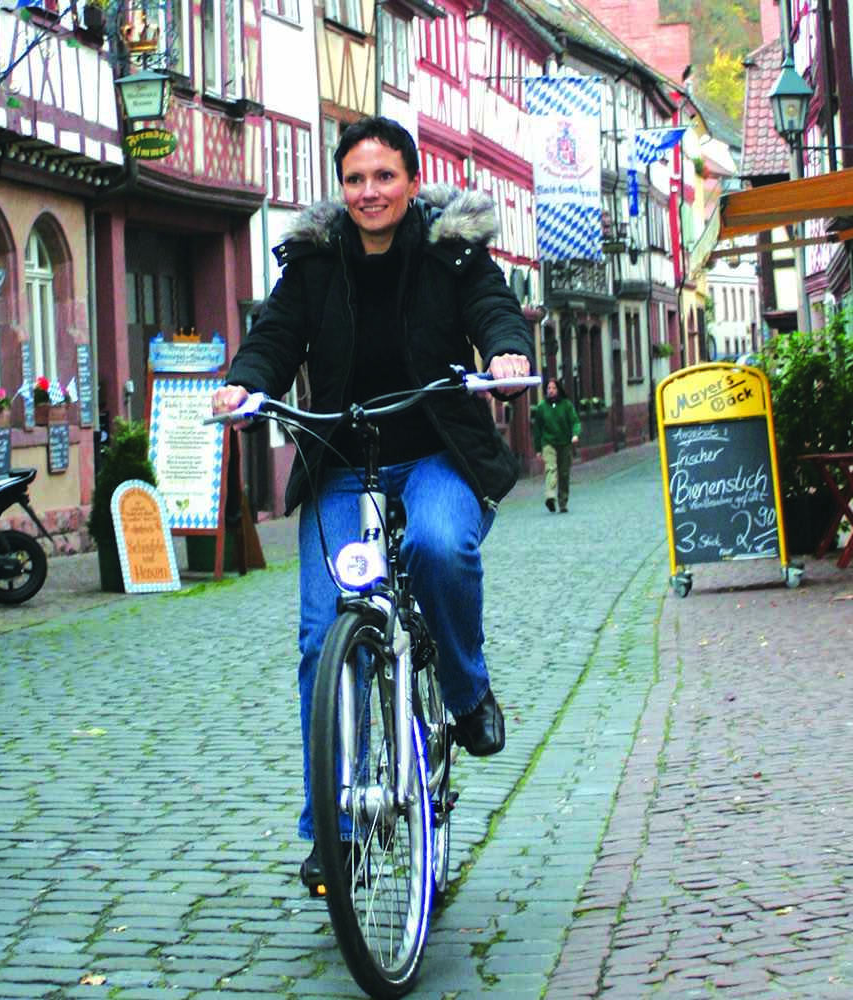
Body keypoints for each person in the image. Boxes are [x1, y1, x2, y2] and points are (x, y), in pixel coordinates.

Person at [211, 116, 533, 889]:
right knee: (324, 636)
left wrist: (505, 352)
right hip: (342, 463)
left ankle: (466, 693)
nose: (369, 192)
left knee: (437, 545)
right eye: (355, 178)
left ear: (413, 182)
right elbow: (275, 336)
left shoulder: (453, 252)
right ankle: (336, 829)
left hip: (437, 454)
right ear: (341, 188)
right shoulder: (314, 263)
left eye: (384, 176)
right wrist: (246, 383)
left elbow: (495, 309)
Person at [530, 377, 580, 513]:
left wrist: (575, 434)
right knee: (550, 468)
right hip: (548, 443)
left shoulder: (566, 405)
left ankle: (563, 502)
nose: (551, 391)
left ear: (558, 390)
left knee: (564, 473)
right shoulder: (541, 407)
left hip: (565, 442)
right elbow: (537, 429)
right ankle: (550, 497)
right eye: (548, 388)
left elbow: (575, 421)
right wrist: (538, 449)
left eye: (553, 388)